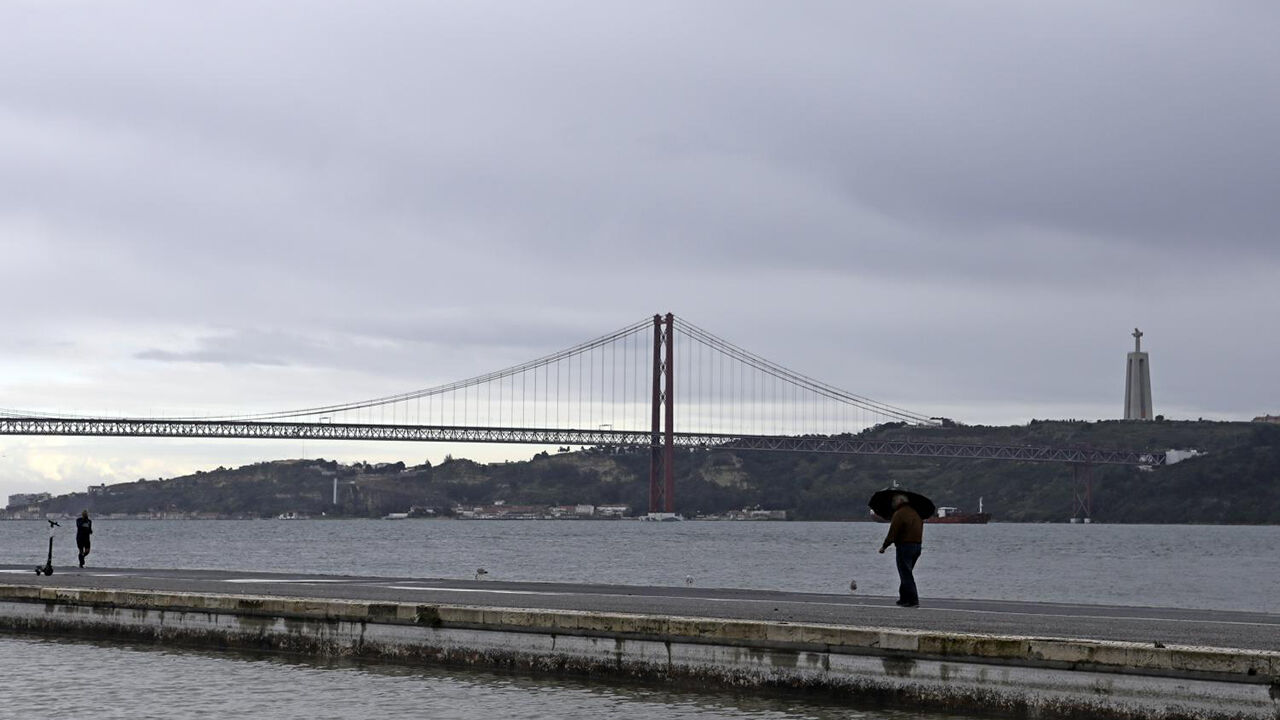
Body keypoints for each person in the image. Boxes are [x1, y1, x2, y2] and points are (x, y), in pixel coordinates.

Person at [878, 494, 923, 607]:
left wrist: (884, 546)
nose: (892, 504)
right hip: (917, 546)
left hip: (905, 546)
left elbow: (892, 532)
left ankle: (913, 600)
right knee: (907, 572)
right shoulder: (916, 513)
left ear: (899, 501)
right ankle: (904, 598)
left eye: (894, 501)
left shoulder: (899, 514)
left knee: (905, 574)